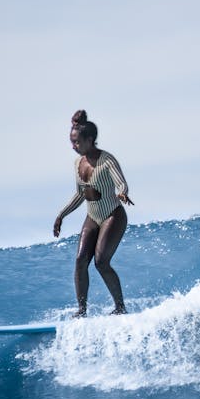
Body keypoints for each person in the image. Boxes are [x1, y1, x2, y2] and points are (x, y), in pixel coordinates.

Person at [53, 109, 134, 316]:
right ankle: (81, 311)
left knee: (101, 262)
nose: (73, 146)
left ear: (90, 140)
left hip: (112, 215)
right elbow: (81, 194)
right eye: (71, 142)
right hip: (92, 216)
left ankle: (120, 307)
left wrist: (122, 193)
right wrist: (62, 214)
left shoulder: (107, 161)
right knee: (80, 261)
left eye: (77, 142)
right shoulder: (77, 164)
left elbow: (121, 183)